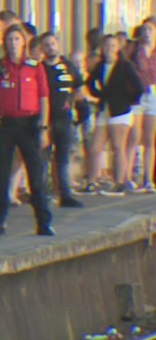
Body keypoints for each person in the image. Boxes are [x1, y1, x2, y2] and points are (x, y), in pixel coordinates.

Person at [0, 24, 54, 236]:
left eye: (17, 40)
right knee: (1, 172)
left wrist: (43, 127)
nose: (13, 44)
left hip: (30, 123)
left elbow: (43, 98)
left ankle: (43, 221)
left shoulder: (34, 66)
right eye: (9, 40)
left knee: (36, 174)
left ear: (24, 43)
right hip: (7, 123)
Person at [85, 35, 143, 195]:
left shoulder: (125, 65)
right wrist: (98, 94)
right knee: (95, 146)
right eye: (106, 46)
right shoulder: (101, 65)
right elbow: (90, 82)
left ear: (117, 48)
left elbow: (138, 87)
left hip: (120, 111)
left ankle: (119, 182)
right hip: (105, 109)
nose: (109, 49)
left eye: (112, 46)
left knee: (118, 146)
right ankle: (92, 181)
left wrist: (129, 100)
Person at [38, 32, 86, 207]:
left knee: (63, 157)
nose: (50, 47)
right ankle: (42, 193)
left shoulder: (69, 66)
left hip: (64, 117)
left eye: (52, 43)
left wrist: (76, 105)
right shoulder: (39, 68)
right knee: (43, 157)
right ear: (41, 48)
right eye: (46, 44)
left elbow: (79, 88)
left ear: (58, 45)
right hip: (44, 118)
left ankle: (64, 193)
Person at [128, 20, 156, 193]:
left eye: (151, 30)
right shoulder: (134, 51)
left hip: (153, 94)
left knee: (149, 139)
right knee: (133, 136)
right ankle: (129, 177)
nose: (147, 32)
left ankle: (147, 178)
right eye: (145, 29)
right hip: (137, 94)